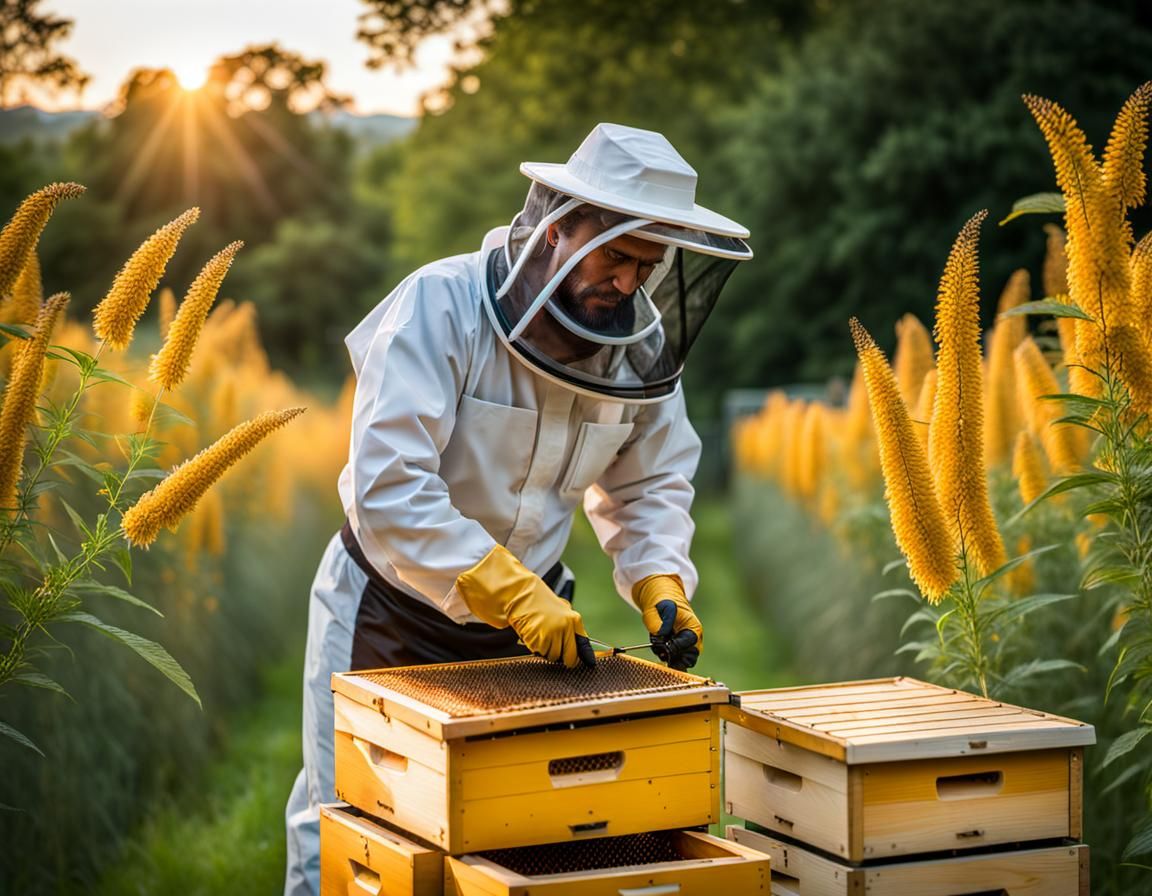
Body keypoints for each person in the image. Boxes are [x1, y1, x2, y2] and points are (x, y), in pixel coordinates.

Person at [283, 122, 752, 895]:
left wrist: (660, 579)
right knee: (352, 825)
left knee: (514, 838)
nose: (628, 283)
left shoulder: (636, 346)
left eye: (647, 264)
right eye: (615, 256)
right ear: (560, 227)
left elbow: (650, 483)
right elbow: (388, 484)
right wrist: (504, 587)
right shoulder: (441, 306)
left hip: (527, 630)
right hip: (388, 614)